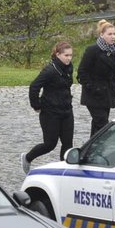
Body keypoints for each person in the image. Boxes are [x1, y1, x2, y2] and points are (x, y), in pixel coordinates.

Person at [21, 41, 75, 173]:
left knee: (68, 144)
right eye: (66, 55)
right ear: (57, 54)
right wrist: (36, 105)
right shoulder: (50, 70)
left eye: (71, 55)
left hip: (66, 110)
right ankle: (28, 157)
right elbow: (34, 87)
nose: (69, 58)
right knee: (50, 144)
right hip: (50, 113)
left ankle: (64, 170)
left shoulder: (69, 67)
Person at [77, 19, 115, 137]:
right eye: (109, 34)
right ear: (102, 35)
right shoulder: (93, 50)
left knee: (98, 124)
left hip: (108, 93)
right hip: (94, 95)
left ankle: (90, 150)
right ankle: (100, 148)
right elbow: (82, 72)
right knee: (103, 124)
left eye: (114, 34)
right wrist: (92, 87)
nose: (113, 36)